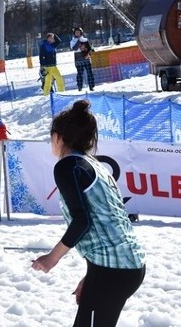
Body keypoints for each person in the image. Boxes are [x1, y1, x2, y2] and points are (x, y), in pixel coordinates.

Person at [31, 100, 145, 326]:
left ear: (57, 137)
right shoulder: (93, 164)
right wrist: (92, 275)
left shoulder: (67, 166)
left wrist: (52, 258)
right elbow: (109, 222)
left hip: (114, 269)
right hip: (121, 265)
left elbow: (81, 221)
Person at [70, 28, 95, 92]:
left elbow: (90, 49)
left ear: (81, 32)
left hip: (86, 57)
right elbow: (75, 48)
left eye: (78, 32)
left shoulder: (85, 40)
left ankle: (91, 86)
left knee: (90, 72)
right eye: (76, 32)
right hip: (78, 58)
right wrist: (79, 40)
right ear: (74, 33)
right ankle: (80, 87)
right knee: (80, 73)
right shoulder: (72, 41)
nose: (77, 33)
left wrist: (88, 54)